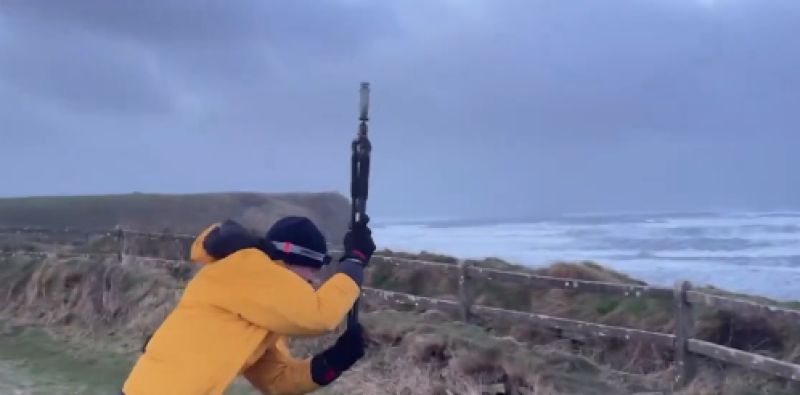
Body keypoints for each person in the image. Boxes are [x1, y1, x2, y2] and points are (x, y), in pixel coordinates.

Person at [120, 216, 376, 395]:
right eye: (313, 269)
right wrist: (354, 263)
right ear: (291, 259)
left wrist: (337, 359)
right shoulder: (249, 268)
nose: (314, 279)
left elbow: (278, 381)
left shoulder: (258, 305)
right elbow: (319, 316)